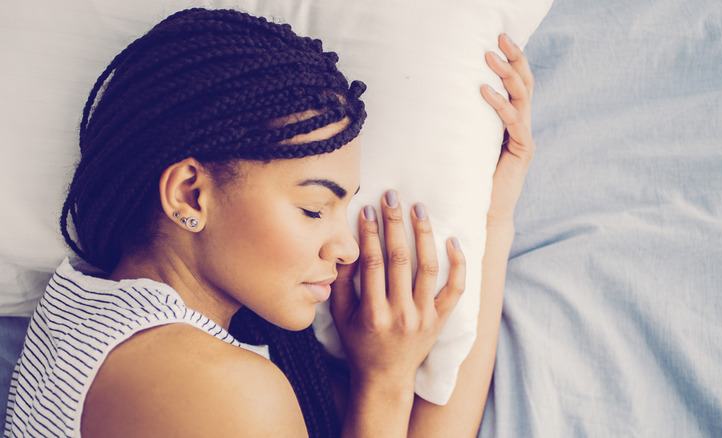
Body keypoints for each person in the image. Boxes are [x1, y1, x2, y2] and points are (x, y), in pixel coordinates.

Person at [3, 7, 535, 438]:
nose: (346, 247)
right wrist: (384, 386)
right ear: (190, 193)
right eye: (313, 209)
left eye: (344, 206)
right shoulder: (221, 388)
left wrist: (496, 214)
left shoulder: (90, 307)